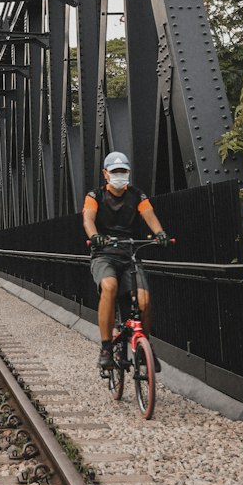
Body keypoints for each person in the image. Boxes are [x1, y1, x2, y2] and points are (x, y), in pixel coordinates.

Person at [82, 150, 169, 374]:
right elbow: (88, 219)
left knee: (144, 301)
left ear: (128, 172)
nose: (119, 175)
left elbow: (149, 214)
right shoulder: (95, 196)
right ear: (105, 174)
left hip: (129, 254)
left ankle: (145, 346)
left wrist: (159, 232)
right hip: (104, 254)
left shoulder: (137, 195)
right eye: (115, 171)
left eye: (123, 171)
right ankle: (105, 348)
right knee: (109, 286)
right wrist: (94, 236)